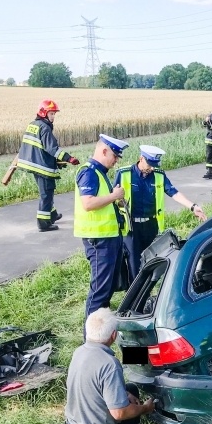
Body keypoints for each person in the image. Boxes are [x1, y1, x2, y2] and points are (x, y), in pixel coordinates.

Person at [64, 308, 155, 424]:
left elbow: (95, 384)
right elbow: (119, 413)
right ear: (114, 335)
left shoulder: (79, 351)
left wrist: (123, 394)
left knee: (130, 389)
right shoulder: (110, 364)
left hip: (75, 421)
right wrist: (145, 409)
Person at [115, 145, 208, 283]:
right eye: (149, 164)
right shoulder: (124, 173)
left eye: (154, 165)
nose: (152, 168)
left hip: (151, 226)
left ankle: (149, 294)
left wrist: (192, 206)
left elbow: (173, 192)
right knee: (134, 266)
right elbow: (113, 197)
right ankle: (135, 300)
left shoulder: (159, 174)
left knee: (152, 263)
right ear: (141, 158)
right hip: (131, 227)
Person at [74, 134, 130, 327]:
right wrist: (114, 195)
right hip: (99, 241)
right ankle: (91, 340)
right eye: (115, 156)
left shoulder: (101, 173)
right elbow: (88, 203)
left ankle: (103, 328)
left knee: (107, 289)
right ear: (104, 151)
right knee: (99, 292)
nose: (116, 161)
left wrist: (116, 200)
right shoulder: (89, 172)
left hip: (109, 238)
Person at [16, 99, 79, 232]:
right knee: (46, 193)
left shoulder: (33, 124)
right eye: (51, 113)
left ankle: (52, 214)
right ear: (44, 113)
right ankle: (43, 223)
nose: (53, 116)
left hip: (33, 163)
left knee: (47, 191)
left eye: (54, 114)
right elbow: (52, 149)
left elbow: (38, 148)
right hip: (41, 166)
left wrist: (55, 161)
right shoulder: (44, 128)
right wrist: (69, 158)